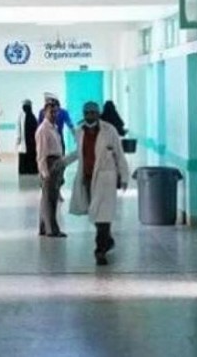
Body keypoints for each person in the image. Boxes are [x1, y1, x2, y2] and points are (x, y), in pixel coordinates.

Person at [69, 101, 129, 265]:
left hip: (105, 179)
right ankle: (107, 240)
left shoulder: (109, 130)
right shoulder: (79, 131)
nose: (89, 116)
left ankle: (100, 251)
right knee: (95, 213)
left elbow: (119, 154)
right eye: (87, 113)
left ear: (98, 114)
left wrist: (124, 177)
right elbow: (79, 152)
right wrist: (63, 162)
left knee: (103, 215)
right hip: (88, 178)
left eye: (93, 113)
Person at [35, 103, 68, 238]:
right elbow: (41, 153)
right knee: (50, 199)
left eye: (56, 112)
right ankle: (52, 230)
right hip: (49, 164)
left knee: (47, 197)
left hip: (56, 162)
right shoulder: (43, 130)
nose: (54, 115)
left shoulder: (54, 128)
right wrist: (44, 172)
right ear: (45, 112)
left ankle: (44, 227)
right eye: (51, 112)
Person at [16, 100, 39, 175]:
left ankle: (31, 169)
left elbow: (36, 129)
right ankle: (24, 170)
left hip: (31, 141)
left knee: (31, 154)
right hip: (23, 140)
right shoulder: (21, 116)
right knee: (23, 154)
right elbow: (18, 127)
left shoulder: (32, 117)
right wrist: (18, 138)